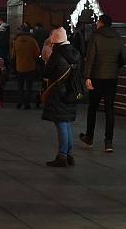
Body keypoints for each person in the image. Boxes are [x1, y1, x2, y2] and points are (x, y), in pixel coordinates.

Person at [80, 14, 126, 152]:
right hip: (112, 78)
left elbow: (90, 58)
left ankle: (89, 137)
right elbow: (125, 57)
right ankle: (108, 142)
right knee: (109, 109)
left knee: (93, 108)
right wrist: (114, 66)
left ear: (101, 23)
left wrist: (87, 76)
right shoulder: (118, 37)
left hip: (96, 77)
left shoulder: (96, 36)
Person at [42, 28, 81, 168]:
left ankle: (62, 155)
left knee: (61, 123)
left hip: (58, 92)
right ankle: (69, 154)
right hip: (71, 92)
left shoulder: (57, 54)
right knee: (67, 123)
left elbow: (46, 72)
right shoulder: (74, 52)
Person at [11, 27, 40, 109]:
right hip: (30, 67)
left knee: (20, 86)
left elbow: (13, 55)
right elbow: (37, 54)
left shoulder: (16, 41)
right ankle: (27, 104)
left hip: (19, 67)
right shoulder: (32, 41)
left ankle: (20, 102)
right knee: (28, 87)